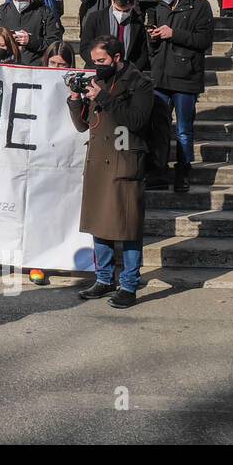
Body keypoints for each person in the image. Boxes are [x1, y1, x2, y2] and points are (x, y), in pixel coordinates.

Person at [70, 36, 155, 309]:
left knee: (128, 227)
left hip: (125, 162)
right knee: (99, 224)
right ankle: (104, 278)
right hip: (98, 162)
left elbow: (137, 121)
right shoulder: (99, 81)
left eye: (102, 61)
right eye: (94, 62)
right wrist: (75, 98)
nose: (97, 66)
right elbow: (83, 125)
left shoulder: (140, 83)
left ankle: (129, 284)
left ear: (117, 58)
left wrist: (103, 97)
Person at [149, 0, 214, 193]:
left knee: (184, 129)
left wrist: (174, 34)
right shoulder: (159, 7)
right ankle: (158, 172)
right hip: (161, 75)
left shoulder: (199, 6)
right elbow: (152, 45)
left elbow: (204, 40)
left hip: (186, 77)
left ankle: (182, 172)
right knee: (159, 128)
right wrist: (154, 38)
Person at [0, 0, 61, 65]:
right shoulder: (2, 11)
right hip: (6, 65)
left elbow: (54, 43)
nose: (19, 2)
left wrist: (30, 41)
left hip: (33, 65)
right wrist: (4, 40)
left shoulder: (44, 12)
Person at [80, 0, 149, 70]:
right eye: (118, 10)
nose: (122, 14)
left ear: (132, 5)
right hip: (99, 70)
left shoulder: (137, 23)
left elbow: (142, 53)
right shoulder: (95, 18)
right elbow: (84, 48)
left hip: (126, 74)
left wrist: (131, 70)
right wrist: (101, 65)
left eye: (126, 11)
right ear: (112, 1)